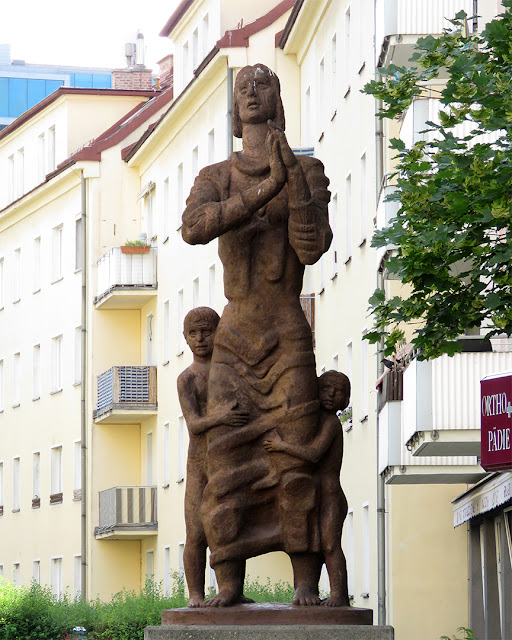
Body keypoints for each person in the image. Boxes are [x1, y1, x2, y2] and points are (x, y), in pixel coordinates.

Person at [182, 64, 332, 607]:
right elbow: (194, 227)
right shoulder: (217, 174)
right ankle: (228, 585)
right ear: (233, 107)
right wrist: (265, 186)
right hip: (237, 332)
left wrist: (290, 179)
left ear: (277, 101)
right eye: (242, 84)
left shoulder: (307, 169)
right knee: (226, 457)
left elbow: (312, 245)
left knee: (296, 456)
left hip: (286, 327)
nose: (250, 90)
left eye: (262, 82)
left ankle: (306, 583)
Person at [177, 307, 250, 607]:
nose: (201, 338)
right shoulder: (188, 379)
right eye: (193, 333)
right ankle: (196, 594)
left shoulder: (230, 372)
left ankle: (232, 589)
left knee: (231, 524)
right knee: (196, 530)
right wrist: (221, 417)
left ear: (218, 331)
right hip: (199, 462)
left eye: (206, 331)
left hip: (229, 457)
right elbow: (194, 424)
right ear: (185, 338)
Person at [263, 370, 351, 607]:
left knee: (330, 545)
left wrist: (282, 445)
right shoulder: (315, 421)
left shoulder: (331, 423)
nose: (331, 395)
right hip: (318, 493)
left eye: (338, 391)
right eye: (326, 389)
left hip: (330, 494)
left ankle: (339, 595)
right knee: (318, 543)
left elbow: (313, 454)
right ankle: (318, 588)